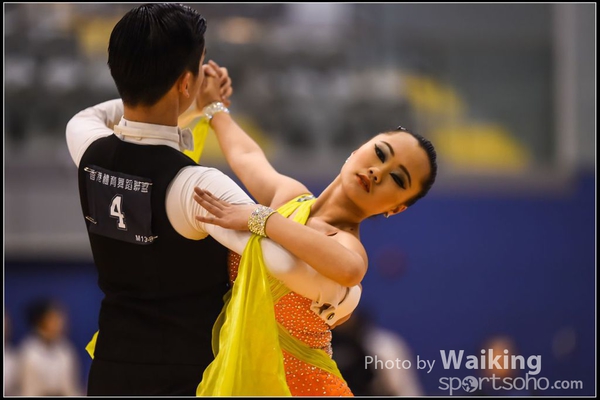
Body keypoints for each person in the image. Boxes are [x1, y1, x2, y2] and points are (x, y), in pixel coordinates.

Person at [65, 3, 360, 396]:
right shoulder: (198, 186)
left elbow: (96, 113)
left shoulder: (85, 143)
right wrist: (343, 296)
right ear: (186, 82)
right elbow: (283, 264)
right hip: (185, 380)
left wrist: (176, 93)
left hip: (109, 373)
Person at [192, 70, 438, 396]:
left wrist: (259, 218)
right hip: (243, 376)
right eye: (380, 154)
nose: (377, 172)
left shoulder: (345, 242)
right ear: (358, 149)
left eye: (397, 178)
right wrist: (214, 107)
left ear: (396, 208)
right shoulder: (289, 197)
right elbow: (247, 156)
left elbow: (351, 269)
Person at [18, 298, 83, 396]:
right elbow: (27, 391)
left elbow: (72, 389)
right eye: (53, 319)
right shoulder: (27, 352)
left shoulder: (66, 350)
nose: (60, 323)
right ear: (41, 321)